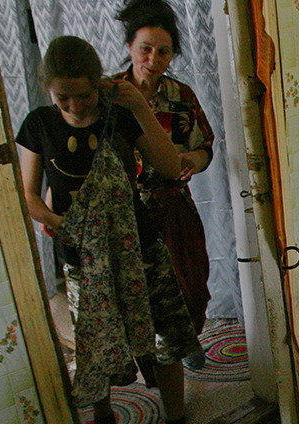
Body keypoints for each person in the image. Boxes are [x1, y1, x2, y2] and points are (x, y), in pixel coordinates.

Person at [16, 35, 199, 424]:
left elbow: (171, 168)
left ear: (98, 83)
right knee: (96, 345)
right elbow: (29, 196)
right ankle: (105, 422)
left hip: (139, 246)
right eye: (65, 98)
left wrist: (138, 105)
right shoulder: (38, 124)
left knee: (166, 338)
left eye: (85, 95)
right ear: (48, 90)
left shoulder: (121, 114)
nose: (76, 106)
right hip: (83, 257)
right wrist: (61, 225)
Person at [116, 0, 215, 369]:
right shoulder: (110, 96)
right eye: (145, 48)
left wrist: (194, 160)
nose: (153, 58)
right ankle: (151, 357)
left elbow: (205, 145)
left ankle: (188, 339)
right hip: (127, 210)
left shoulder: (180, 96)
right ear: (130, 47)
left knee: (190, 281)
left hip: (173, 203)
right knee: (139, 291)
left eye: (164, 51)